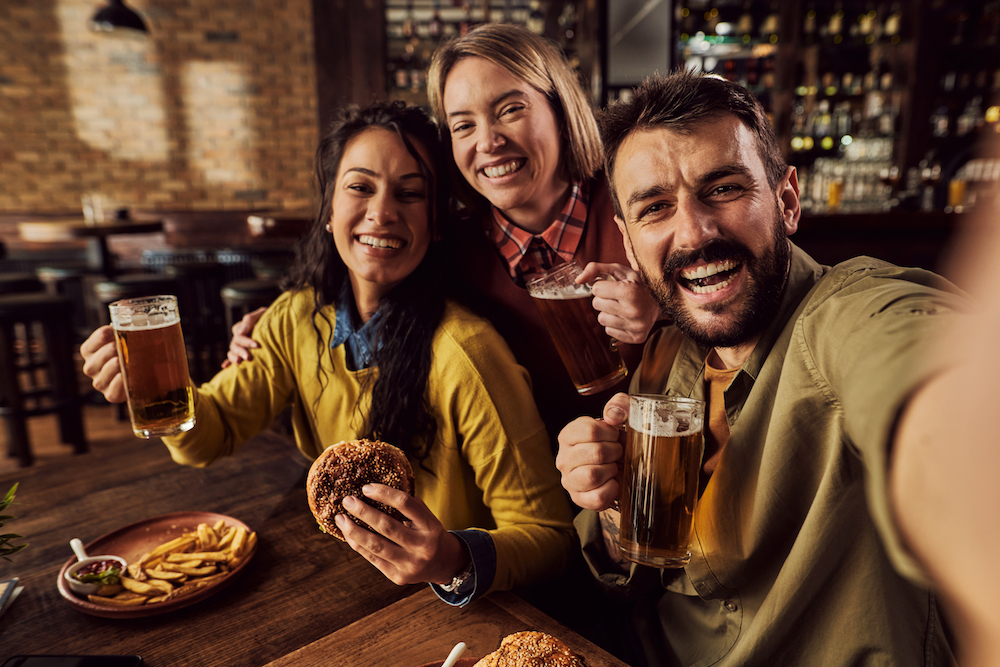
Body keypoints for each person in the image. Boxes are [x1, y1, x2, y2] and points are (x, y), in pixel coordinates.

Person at [81, 100, 575, 607]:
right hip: (340, 587)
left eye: (410, 194)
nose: (382, 212)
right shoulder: (294, 318)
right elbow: (211, 435)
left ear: (436, 224)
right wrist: (160, 394)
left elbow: (550, 538)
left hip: (454, 608)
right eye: (360, 187)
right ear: (329, 212)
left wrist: (451, 559)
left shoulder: (468, 355)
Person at [556, 70, 973, 666]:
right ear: (627, 241)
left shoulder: (844, 317)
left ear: (787, 200)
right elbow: (632, 567)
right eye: (655, 208)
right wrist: (614, 503)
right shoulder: (665, 355)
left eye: (723, 189)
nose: (694, 232)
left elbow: (917, 361)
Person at [228, 23, 663, 441]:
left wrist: (665, 314)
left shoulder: (640, 207)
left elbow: (727, 331)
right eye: (463, 125)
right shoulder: (450, 244)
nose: (488, 141)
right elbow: (368, 289)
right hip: (523, 488)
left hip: (654, 473)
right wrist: (276, 324)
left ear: (560, 108)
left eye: (510, 110)